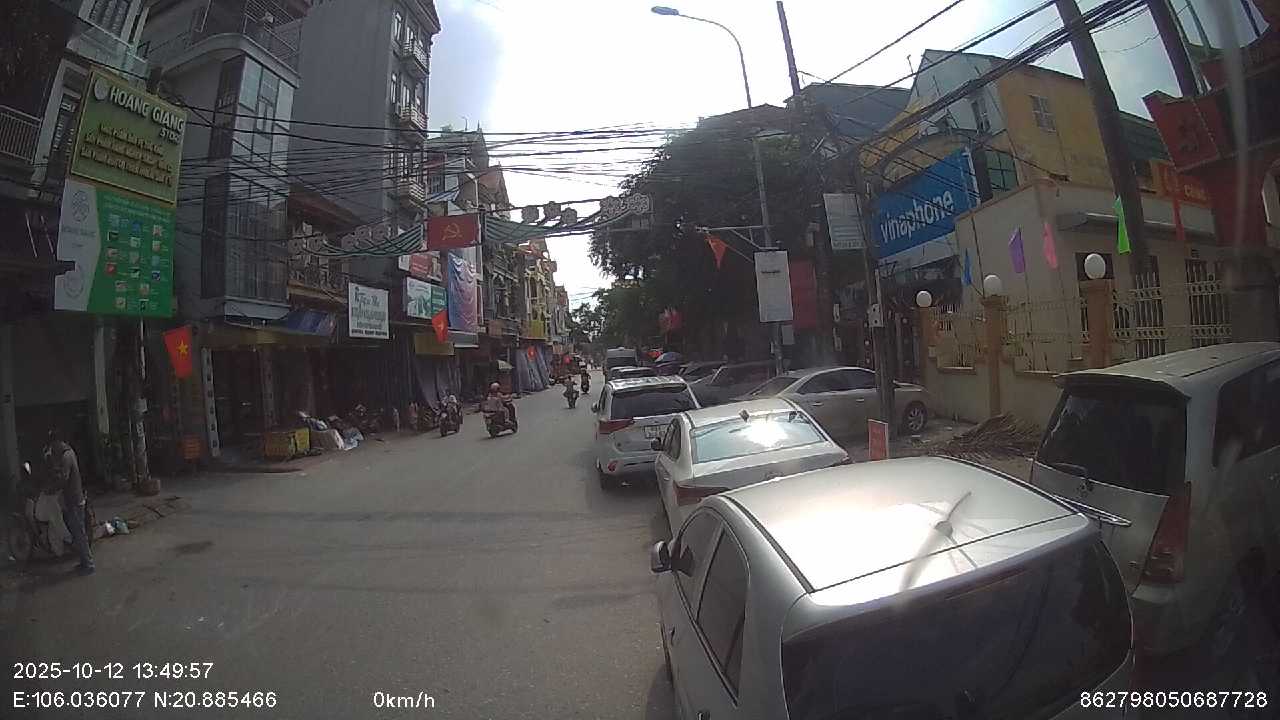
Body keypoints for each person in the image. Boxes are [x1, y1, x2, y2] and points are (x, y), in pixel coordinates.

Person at [45, 428, 93, 574]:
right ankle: (84, 562)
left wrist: (52, 489)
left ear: (56, 442)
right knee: (77, 532)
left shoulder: (66, 456)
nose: (52, 448)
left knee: (79, 533)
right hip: (73, 499)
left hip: (74, 499)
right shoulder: (68, 453)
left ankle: (89, 564)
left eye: (53, 445)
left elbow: (64, 478)